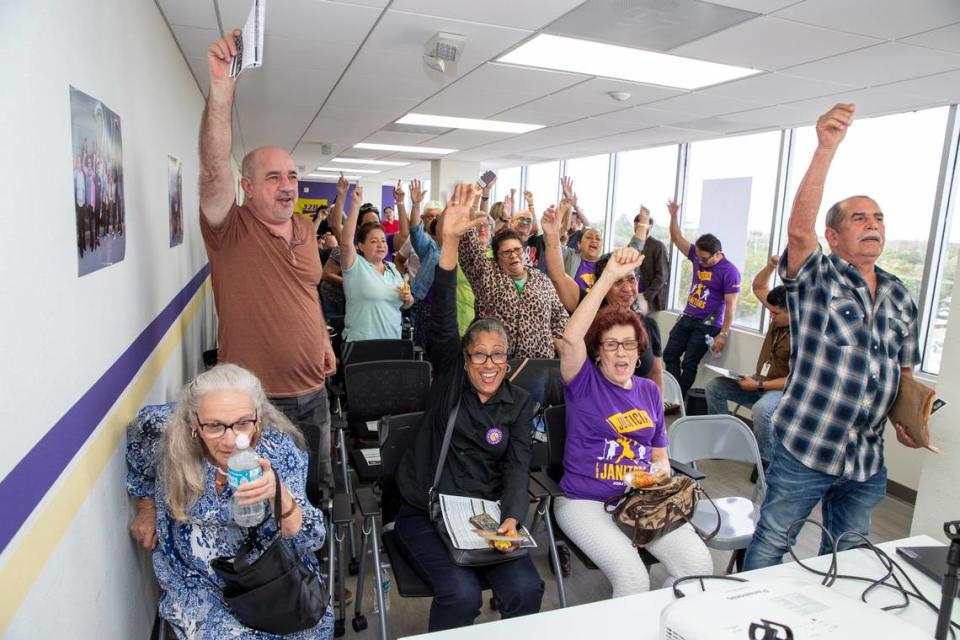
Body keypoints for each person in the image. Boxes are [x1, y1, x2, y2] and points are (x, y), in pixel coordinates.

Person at [743, 103, 922, 571]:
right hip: (808, 446)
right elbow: (798, 232)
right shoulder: (819, 279)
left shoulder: (900, 294)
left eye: (879, 218)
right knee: (773, 542)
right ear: (834, 235)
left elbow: (902, 370)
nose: (873, 225)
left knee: (849, 554)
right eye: (860, 218)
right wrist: (826, 148)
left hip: (866, 458)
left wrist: (908, 417)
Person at [394, 184, 544, 632]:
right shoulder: (450, 381)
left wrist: (513, 520)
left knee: (526, 588)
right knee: (459, 595)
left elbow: (519, 466)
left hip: (486, 518)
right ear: (464, 357)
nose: (488, 364)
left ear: (508, 358)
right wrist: (451, 243)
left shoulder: (518, 403)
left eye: (498, 355)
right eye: (478, 354)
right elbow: (441, 321)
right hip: (426, 511)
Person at [199, 30, 336, 506]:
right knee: (256, 502)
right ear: (247, 187)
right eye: (273, 177)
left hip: (314, 395)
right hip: (256, 407)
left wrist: (320, 336)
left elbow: (308, 292)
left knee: (311, 494)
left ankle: (311, 577)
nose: (287, 185)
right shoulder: (229, 229)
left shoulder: (303, 230)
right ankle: (269, 581)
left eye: (293, 176)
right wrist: (221, 90)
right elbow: (214, 168)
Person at [554, 247, 713, 597]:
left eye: (628, 344)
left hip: (639, 499)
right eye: (611, 345)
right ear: (598, 351)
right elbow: (569, 339)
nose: (621, 352)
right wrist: (608, 276)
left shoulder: (649, 392)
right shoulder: (583, 382)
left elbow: (659, 456)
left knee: (697, 568)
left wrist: (657, 473)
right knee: (634, 579)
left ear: (640, 350)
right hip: (585, 502)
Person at [151, 364, 333, 638]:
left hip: (274, 580)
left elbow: (314, 538)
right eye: (214, 426)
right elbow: (139, 428)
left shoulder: (278, 451)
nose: (231, 439)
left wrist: (278, 494)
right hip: (200, 586)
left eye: (243, 423)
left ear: (258, 419)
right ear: (193, 424)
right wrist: (144, 505)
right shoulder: (176, 450)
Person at [540, 206, 664, 391]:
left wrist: (657, 413)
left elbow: (655, 374)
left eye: (631, 280)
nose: (627, 288)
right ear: (604, 284)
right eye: (617, 281)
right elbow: (558, 277)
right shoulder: (589, 312)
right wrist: (551, 235)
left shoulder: (647, 325)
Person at [704, 255, 790, 468]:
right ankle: (722, 443)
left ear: (793, 312)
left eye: (775, 313)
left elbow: (796, 381)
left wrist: (759, 385)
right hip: (759, 381)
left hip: (782, 391)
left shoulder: (806, 334)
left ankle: (766, 462)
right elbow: (759, 286)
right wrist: (771, 265)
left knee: (762, 411)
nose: (770, 316)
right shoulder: (777, 315)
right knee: (714, 387)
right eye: (769, 311)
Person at [459, 204, 568, 359]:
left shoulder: (541, 279)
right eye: (506, 252)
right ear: (496, 258)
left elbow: (560, 316)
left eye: (517, 250)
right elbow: (468, 249)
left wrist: (553, 340)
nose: (513, 255)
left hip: (537, 364)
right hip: (495, 361)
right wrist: (468, 211)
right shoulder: (486, 274)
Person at [663, 200, 741, 398]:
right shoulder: (697, 256)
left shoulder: (729, 271)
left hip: (707, 324)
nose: (699, 262)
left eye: (704, 259)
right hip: (688, 316)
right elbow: (677, 238)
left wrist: (723, 334)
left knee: (689, 363)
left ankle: (675, 400)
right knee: (669, 354)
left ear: (718, 254)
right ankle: (676, 395)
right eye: (697, 258)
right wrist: (673, 216)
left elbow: (731, 306)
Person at [339, 184, 413, 341]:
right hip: (361, 345)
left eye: (382, 241)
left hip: (392, 341)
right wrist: (354, 205)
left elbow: (405, 304)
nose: (380, 245)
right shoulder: (355, 266)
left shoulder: (392, 269)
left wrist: (408, 299)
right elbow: (345, 242)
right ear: (360, 245)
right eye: (373, 241)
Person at [628, 206, 669, 312]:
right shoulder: (632, 246)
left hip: (649, 298)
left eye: (642, 226)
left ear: (650, 227)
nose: (639, 229)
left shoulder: (658, 246)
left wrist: (646, 296)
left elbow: (662, 275)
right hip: (632, 294)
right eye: (636, 226)